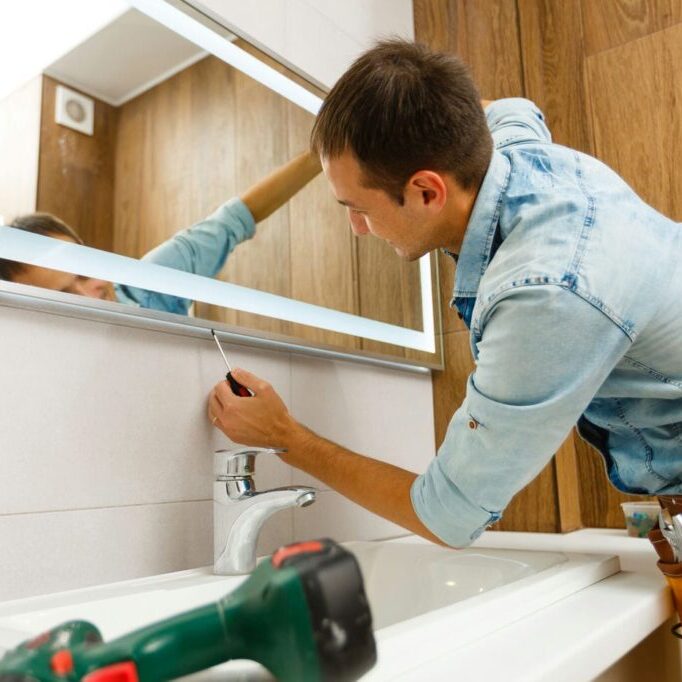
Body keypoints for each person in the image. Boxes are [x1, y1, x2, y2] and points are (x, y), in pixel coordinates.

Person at [208, 39, 682, 548]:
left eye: (358, 207)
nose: (357, 228)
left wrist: (286, 437)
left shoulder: (546, 295)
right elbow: (509, 110)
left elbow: (446, 515)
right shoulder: (513, 146)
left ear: (428, 191)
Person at [0, 150, 321, 314]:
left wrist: (320, 153)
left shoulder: (148, 287)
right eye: (62, 296)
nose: (91, 296)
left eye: (85, 273)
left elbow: (233, 220)